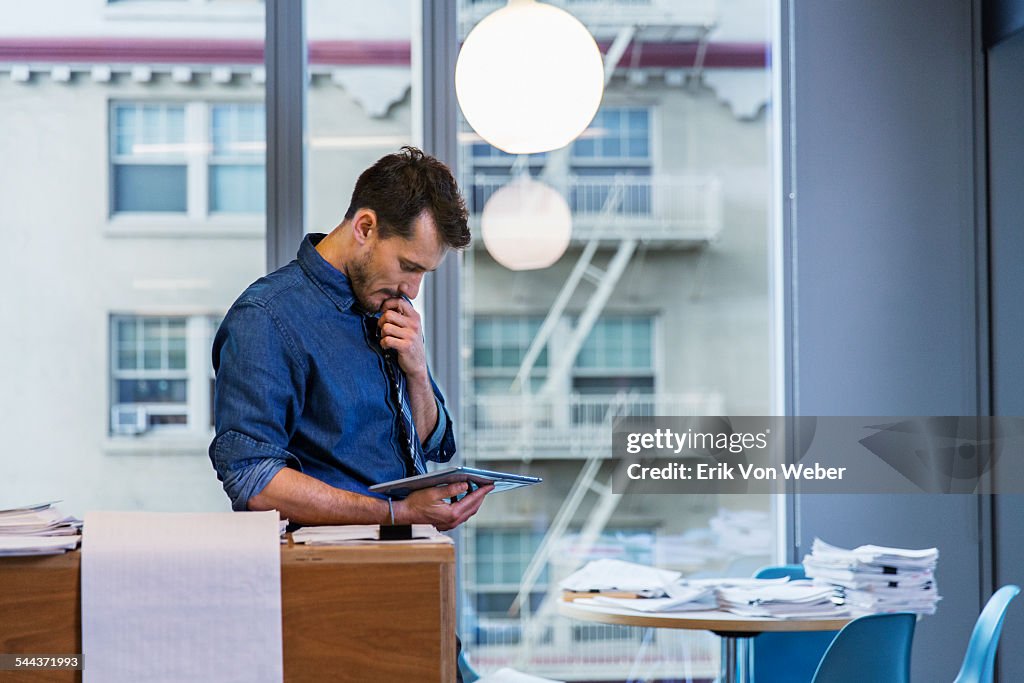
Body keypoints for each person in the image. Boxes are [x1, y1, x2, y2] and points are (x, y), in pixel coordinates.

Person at [209, 146, 493, 530]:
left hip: (409, 558)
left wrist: (418, 372)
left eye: (425, 272)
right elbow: (252, 479)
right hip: (331, 572)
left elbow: (432, 443)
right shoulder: (267, 317)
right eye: (408, 266)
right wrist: (396, 514)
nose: (412, 289)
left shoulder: (386, 307)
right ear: (365, 228)